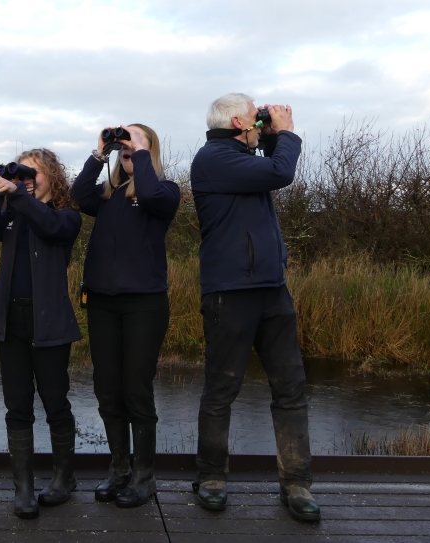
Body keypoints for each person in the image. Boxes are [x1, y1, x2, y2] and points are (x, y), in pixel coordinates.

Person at [189, 93, 319, 522]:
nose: (261, 119)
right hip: (230, 290)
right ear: (236, 121)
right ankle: (212, 477)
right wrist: (286, 132)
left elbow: (267, 164)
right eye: (254, 114)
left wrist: (264, 135)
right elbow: (281, 171)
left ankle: (297, 482)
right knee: (221, 388)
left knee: (291, 388)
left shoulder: (241, 158)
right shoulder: (213, 158)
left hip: (271, 289)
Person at [70, 124, 180, 508]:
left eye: (134, 141)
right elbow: (77, 194)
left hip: (144, 305)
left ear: (149, 148)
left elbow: (148, 191)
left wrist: (141, 153)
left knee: (136, 389)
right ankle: (119, 470)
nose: (126, 147)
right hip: (102, 302)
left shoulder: (165, 192)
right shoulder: (107, 196)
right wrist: (99, 153)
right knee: (107, 389)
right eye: (123, 143)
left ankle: (144, 477)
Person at [0, 149, 82, 519]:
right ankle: (23, 487)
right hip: (10, 320)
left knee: (55, 402)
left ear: (52, 175)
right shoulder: (14, 211)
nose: (27, 178)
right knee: (17, 404)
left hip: (49, 320)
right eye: (22, 172)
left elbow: (51, 228)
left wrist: (18, 195)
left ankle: (64, 478)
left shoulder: (66, 215)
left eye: (33, 172)